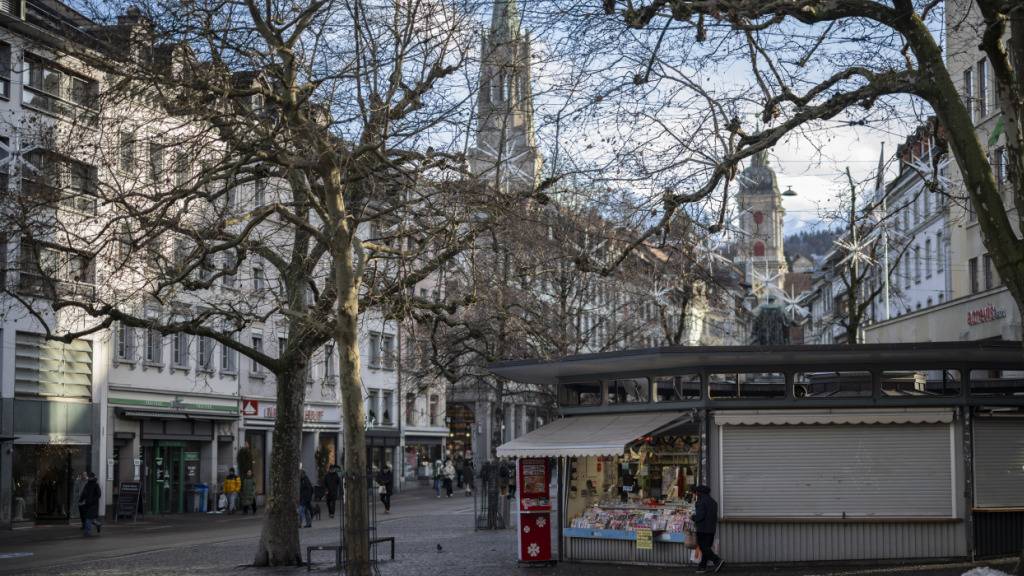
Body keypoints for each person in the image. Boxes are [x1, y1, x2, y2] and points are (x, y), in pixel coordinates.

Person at [691, 485, 724, 573]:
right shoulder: (713, 502)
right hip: (711, 529)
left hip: (702, 529)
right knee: (706, 548)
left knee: (703, 547)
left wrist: (693, 517)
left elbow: (700, 517)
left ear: (700, 493)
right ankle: (702, 566)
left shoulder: (701, 502)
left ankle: (717, 560)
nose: (696, 493)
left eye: (697, 492)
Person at [78, 472, 102, 536]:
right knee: (90, 518)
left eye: (91, 477)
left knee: (88, 518)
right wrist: (81, 500)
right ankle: (98, 524)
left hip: (93, 504)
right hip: (87, 504)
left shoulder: (96, 485)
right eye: (89, 477)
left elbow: (99, 494)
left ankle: (87, 532)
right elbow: (84, 493)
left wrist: (93, 500)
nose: (90, 478)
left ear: (93, 477)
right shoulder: (87, 484)